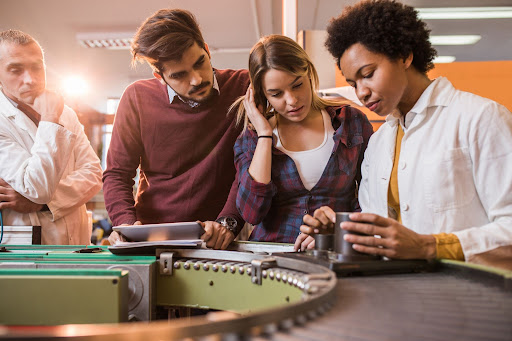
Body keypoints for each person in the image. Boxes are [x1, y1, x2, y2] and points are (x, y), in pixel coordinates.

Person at [301, 0, 512, 266]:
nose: (361, 92)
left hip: (470, 297)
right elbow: (380, 235)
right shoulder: (378, 144)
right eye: (353, 83)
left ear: (404, 56)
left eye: (368, 74)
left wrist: (429, 246)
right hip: (399, 295)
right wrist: (341, 233)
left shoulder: (480, 119)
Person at [103, 9, 250, 249]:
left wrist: (229, 221)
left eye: (200, 63)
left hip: (219, 239)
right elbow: (117, 174)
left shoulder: (244, 87)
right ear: (160, 76)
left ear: (206, 49)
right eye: (179, 75)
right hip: (151, 238)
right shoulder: (136, 98)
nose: (196, 80)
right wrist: (126, 225)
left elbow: (249, 164)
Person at [232, 35, 373, 248]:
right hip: (271, 261)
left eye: (297, 85)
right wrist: (264, 135)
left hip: (334, 255)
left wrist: (338, 232)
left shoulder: (351, 123)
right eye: (276, 94)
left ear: (309, 72)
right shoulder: (251, 140)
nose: (292, 100)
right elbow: (252, 213)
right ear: (262, 95)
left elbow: (372, 198)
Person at [0, 29, 102, 245]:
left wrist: (44, 204)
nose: (30, 79)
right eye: (15, 69)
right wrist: (49, 118)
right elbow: (37, 188)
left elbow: (93, 174)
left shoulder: (66, 113)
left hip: (76, 244)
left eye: (37, 67)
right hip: (26, 249)